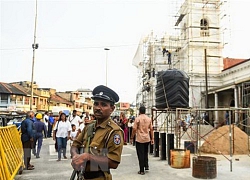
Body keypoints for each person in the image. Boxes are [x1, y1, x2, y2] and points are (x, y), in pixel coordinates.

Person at [70, 85, 124, 180]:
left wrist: (88, 157)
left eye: (103, 105)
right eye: (96, 104)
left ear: (112, 109)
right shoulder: (89, 126)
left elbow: (114, 162)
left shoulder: (113, 131)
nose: (98, 108)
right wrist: (76, 157)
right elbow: (75, 145)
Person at [130, 106, 154, 175]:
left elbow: (134, 129)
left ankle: (141, 170)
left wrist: (132, 137)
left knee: (140, 154)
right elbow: (151, 129)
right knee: (145, 152)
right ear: (145, 111)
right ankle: (146, 166)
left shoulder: (137, 119)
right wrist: (152, 139)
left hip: (140, 139)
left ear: (139, 111)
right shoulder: (149, 119)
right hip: (147, 138)